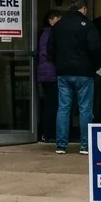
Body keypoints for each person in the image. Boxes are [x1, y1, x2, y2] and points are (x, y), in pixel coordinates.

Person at [49, 0, 101, 154]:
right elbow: (95, 48)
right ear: (84, 9)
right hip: (84, 73)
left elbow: (50, 49)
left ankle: (61, 145)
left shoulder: (58, 25)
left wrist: (59, 64)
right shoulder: (87, 25)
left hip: (64, 73)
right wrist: (95, 66)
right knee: (85, 109)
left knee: (63, 108)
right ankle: (85, 145)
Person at [37, 10, 61, 142]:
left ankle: (47, 132)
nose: (59, 22)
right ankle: (48, 133)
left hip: (45, 73)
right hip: (50, 73)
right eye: (58, 19)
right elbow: (49, 53)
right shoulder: (49, 34)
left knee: (50, 104)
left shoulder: (44, 33)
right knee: (52, 105)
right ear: (51, 20)